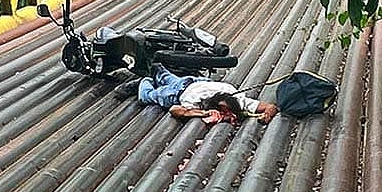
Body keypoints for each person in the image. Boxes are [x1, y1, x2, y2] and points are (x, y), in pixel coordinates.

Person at [118, 64, 279, 125]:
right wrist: (203, 113)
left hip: (196, 81)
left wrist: (267, 116)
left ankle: (158, 70)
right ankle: (144, 80)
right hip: (178, 92)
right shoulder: (197, 102)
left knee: (167, 77)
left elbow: (270, 106)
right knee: (146, 97)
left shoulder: (238, 99)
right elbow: (174, 109)